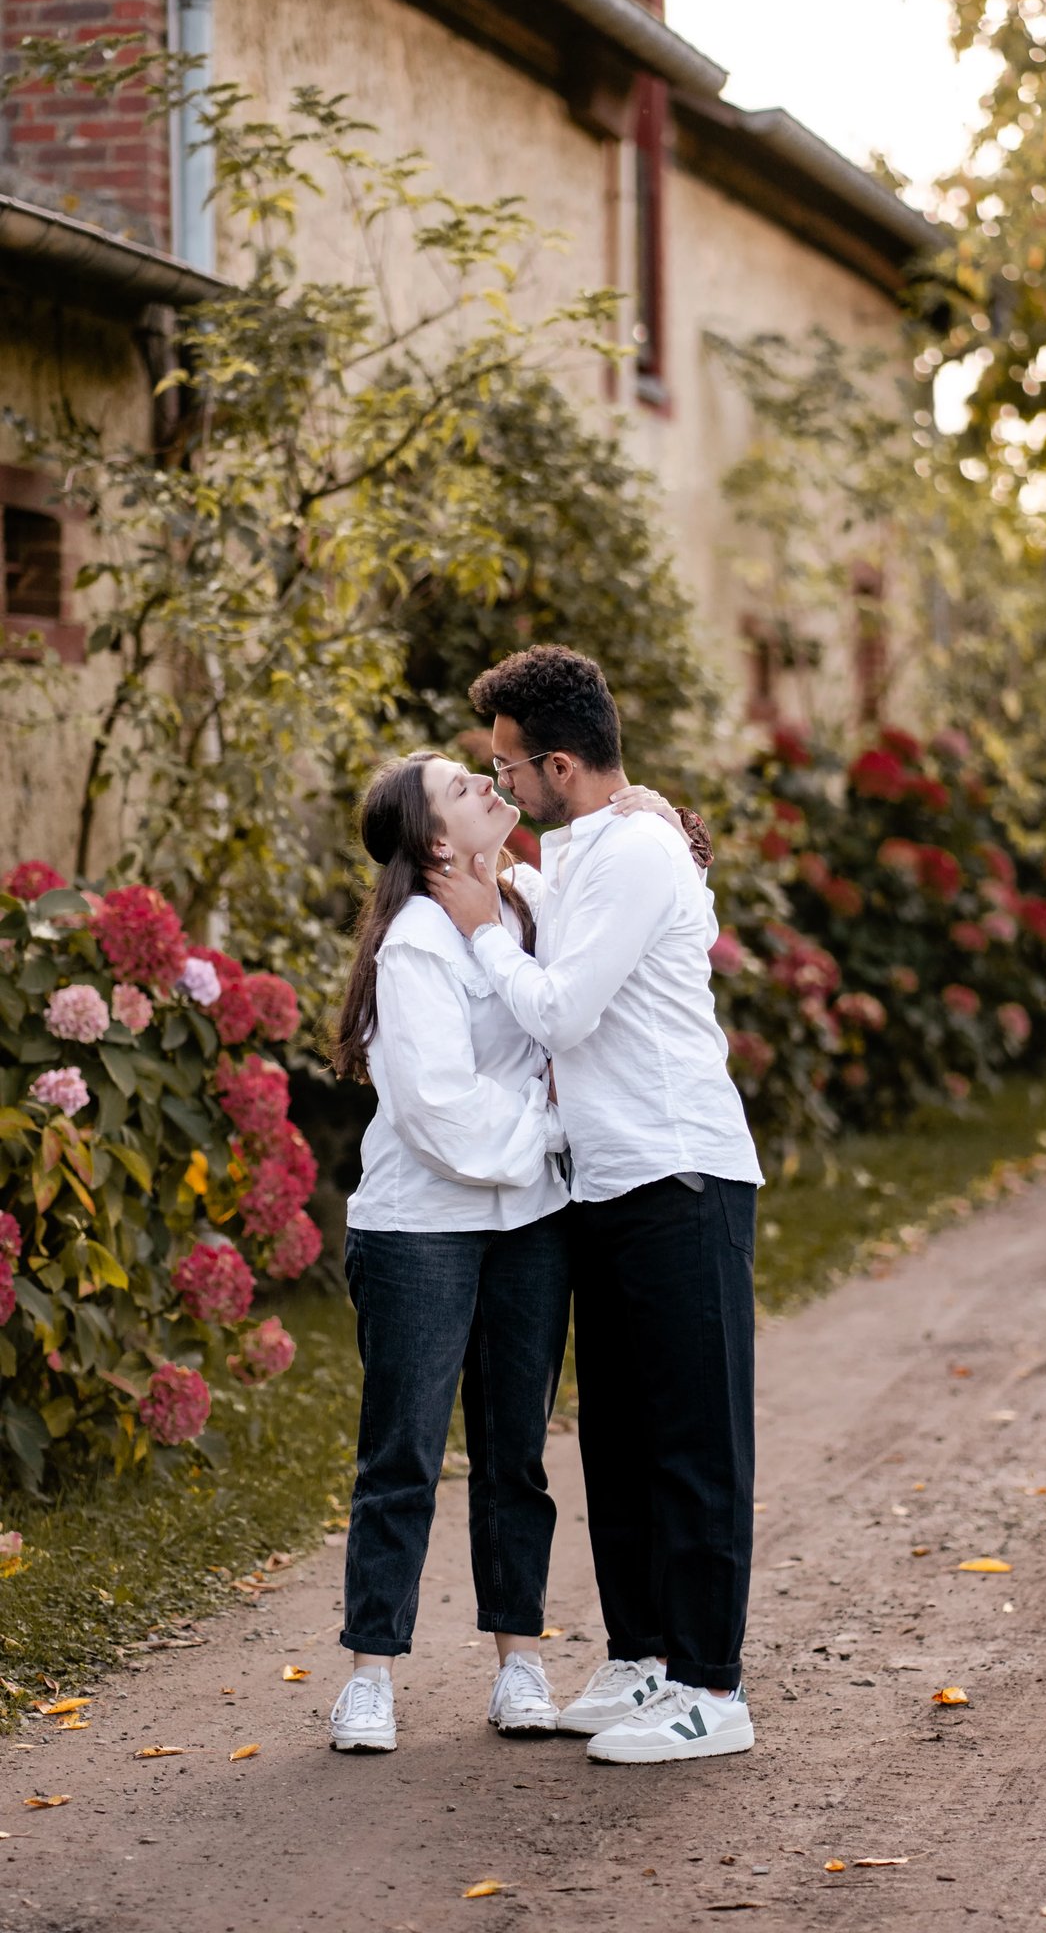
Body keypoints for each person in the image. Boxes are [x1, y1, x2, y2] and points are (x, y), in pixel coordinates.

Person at [431, 645, 764, 1766]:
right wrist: (500, 884)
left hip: (683, 1174)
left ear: (560, 765)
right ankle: (644, 1657)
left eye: (508, 767)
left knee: (697, 1442)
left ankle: (712, 1689)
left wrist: (480, 921)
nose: (504, 786)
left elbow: (563, 1010)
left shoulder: (635, 852)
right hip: (610, 1183)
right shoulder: (590, 848)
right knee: (620, 1440)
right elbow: (550, 906)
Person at [326, 747, 684, 1754]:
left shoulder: (528, 897)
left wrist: (656, 814)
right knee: (402, 1451)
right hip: (419, 1232)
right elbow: (438, 1110)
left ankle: (519, 1661)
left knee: (514, 1453)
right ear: (437, 841)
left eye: (484, 774)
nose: (490, 786)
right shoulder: (416, 945)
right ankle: (370, 1674)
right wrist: (552, 1121)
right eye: (460, 788)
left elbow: (633, 894)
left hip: (528, 1228)